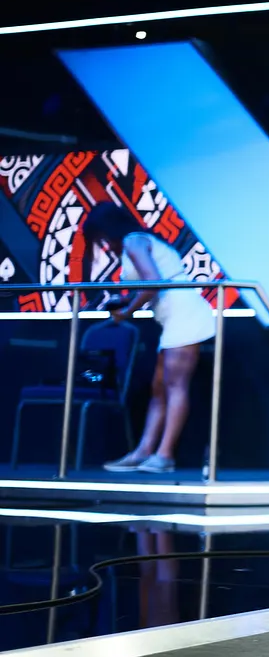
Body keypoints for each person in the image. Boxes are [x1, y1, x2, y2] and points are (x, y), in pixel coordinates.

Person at [81, 201, 215, 473]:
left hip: (184, 314)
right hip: (172, 317)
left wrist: (128, 311)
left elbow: (153, 281)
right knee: (159, 389)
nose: (104, 245)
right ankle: (143, 451)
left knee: (175, 386)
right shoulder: (138, 242)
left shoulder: (133, 241)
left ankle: (164, 455)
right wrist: (127, 301)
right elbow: (151, 282)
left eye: (101, 238)